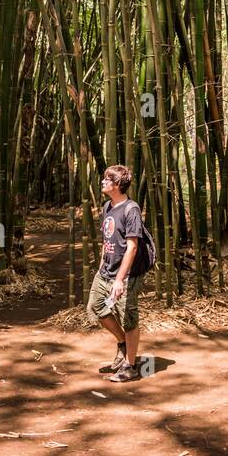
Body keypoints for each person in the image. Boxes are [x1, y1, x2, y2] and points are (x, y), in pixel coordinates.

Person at [86, 164, 145, 382]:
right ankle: (122, 341)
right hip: (106, 271)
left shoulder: (131, 209)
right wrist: (101, 267)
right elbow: (107, 240)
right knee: (96, 307)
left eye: (107, 179)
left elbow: (132, 246)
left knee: (128, 318)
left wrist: (120, 279)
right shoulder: (107, 206)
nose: (102, 182)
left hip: (126, 275)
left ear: (118, 184)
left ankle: (130, 366)